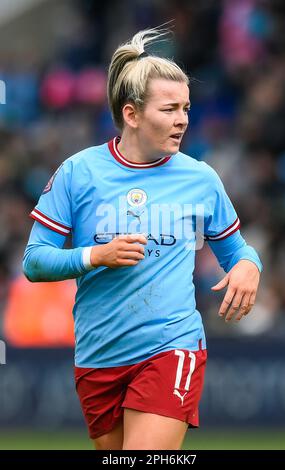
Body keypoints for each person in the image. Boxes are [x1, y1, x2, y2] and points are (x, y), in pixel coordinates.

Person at [23, 26, 262, 450]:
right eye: (169, 109)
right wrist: (96, 256)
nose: (183, 119)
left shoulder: (200, 178)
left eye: (186, 108)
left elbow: (237, 251)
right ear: (131, 114)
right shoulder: (78, 173)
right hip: (98, 356)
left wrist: (249, 266)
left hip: (171, 346)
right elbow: (35, 261)